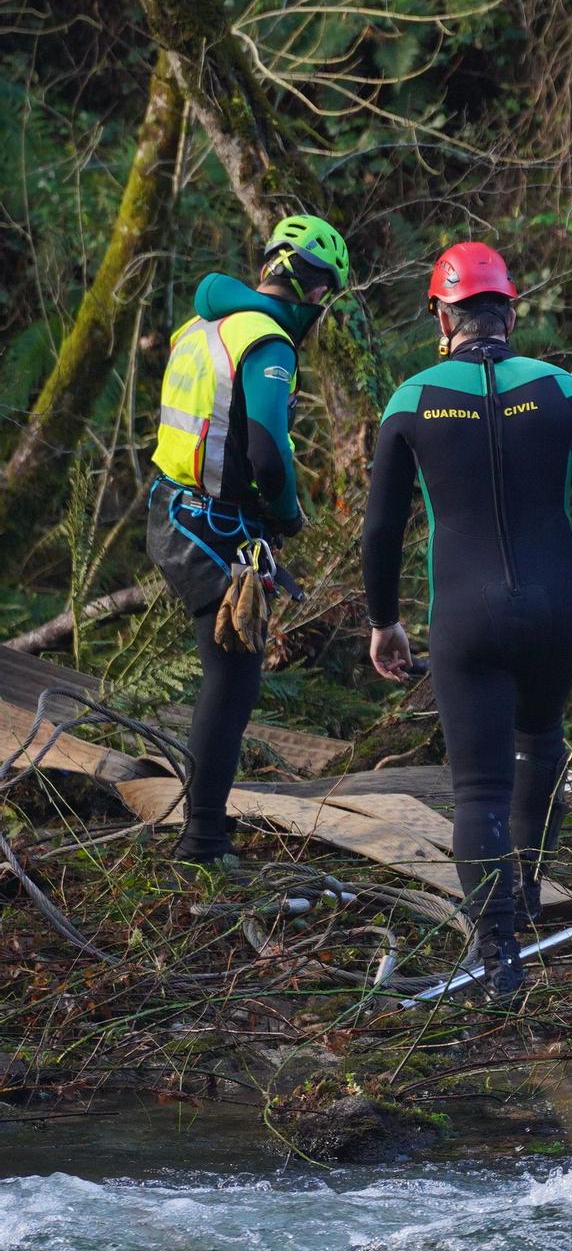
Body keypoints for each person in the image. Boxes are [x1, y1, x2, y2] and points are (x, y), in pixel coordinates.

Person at [360, 241, 572, 996]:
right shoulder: (560, 388)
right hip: (561, 608)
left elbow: (382, 528)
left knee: (479, 791)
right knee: (543, 743)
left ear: (442, 315)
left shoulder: (412, 399)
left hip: (467, 617)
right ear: (510, 311)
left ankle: (500, 963)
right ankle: (525, 897)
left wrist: (383, 618)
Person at [146, 214, 350, 866]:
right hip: (215, 527)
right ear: (317, 293)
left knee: (225, 674)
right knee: (232, 679)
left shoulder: (203, 325)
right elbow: (264, 449)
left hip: (173, 509)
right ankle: (202, 840)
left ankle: (202, 829)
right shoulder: (270, 343)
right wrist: (289, 513)